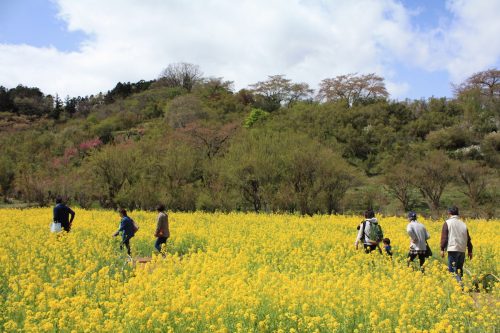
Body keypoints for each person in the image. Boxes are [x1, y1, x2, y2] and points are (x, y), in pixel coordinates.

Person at [440, 206, 473, 282]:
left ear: (449, 213)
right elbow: (468, 239)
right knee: (459, 269)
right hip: (462, 250)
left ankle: (458, 285)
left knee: (452, 270)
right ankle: (460, 285)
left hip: (453, 249)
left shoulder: (447, 223)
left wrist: (442, 249)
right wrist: (470, 251)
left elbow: (444, 237)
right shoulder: (463, 224)